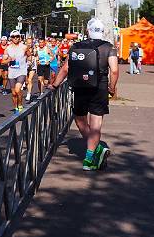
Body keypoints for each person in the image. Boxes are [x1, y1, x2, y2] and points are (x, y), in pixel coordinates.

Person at [50, 18, 118, 171]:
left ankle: (95, 150)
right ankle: (90, 158)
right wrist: (112, 87)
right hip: (99, 88)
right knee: (96, 124)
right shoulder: (109, 47)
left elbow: (66, 68)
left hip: (80, 87)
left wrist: (54, 85)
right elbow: (114, 70)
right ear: (103, 32)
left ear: (88, 30)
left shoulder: (76, 46)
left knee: (80, 119)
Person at [1, 30, 31, 114]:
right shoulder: (8, 48)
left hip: (21, 71)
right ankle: (16, 107)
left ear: (20, 37)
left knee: (18, 90)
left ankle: (20, 105)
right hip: (12, 72)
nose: (16, 38)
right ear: (11, 38)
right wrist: (9, 59)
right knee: (14, 93)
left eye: (17, 36)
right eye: (14, 37)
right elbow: (3, 61)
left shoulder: (24, 47)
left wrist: (29, 61)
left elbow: (29, 55)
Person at [25, 37, 37, 102]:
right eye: (28, 43)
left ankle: (28, 94)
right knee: (26, 81)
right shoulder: (23, 49)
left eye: (30, 43)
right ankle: (25, 85)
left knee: (30, 80)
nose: (29, 44)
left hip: (32, 65)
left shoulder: (35, 49)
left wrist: (37, 60)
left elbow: (37, 56)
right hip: (25, 65)